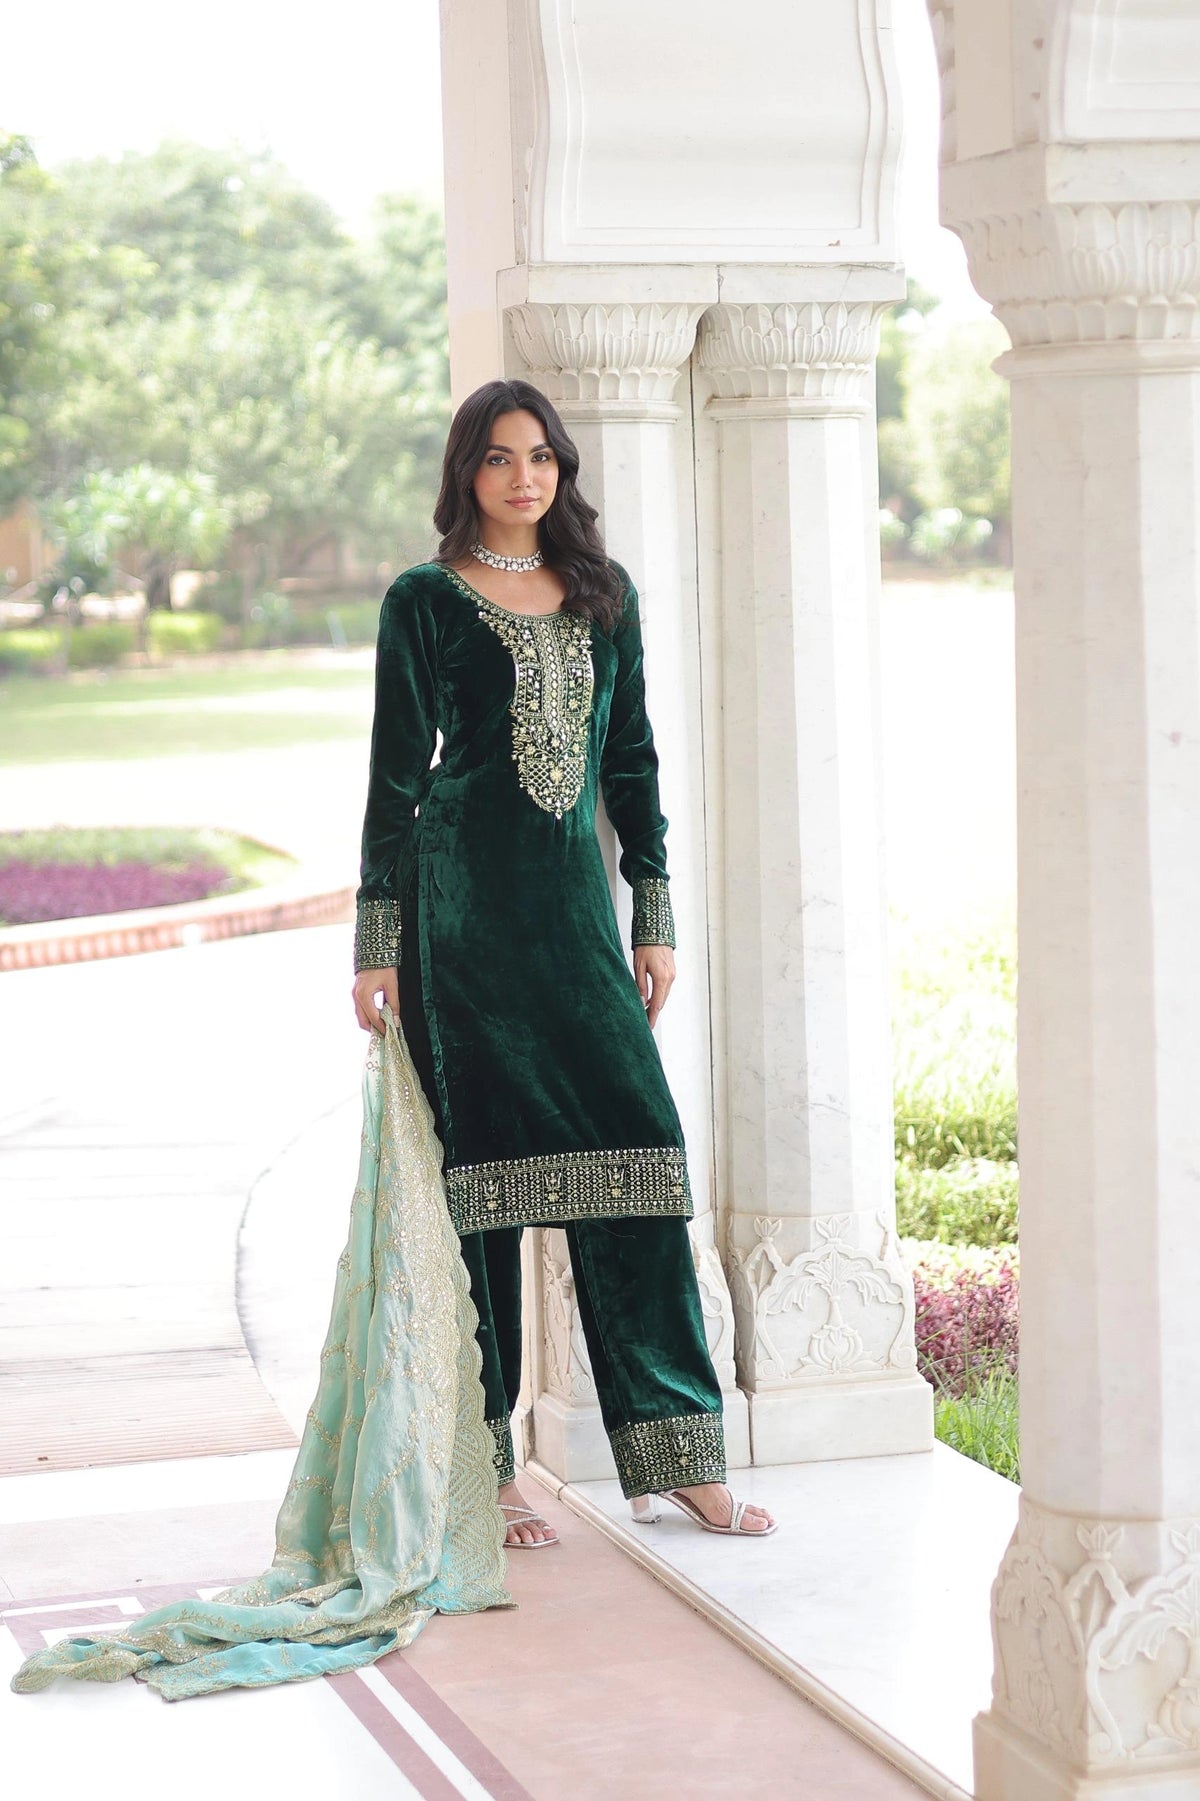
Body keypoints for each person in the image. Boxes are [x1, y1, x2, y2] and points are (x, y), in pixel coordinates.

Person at [351, 376, 775, 1548]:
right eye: (498, 457)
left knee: (640, 1159)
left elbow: (631, 759)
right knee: (480, 1189)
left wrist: (654, 911)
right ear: (467, 472)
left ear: (562, 469)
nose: (523, 476)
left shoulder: (602, 595)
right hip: (458, 920)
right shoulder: (425, 600)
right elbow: (396, 776)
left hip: (574, 919)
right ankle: (487, 1469)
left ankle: (681, 1460)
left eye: (539, 455)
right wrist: (377, 939)